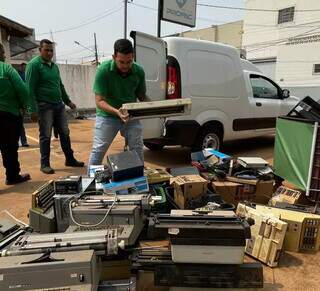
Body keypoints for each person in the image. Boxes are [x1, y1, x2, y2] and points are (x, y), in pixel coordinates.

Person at [88, 38, 149, 170]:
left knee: (137, 148)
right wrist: (117, 111)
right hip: (107, 115)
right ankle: (90, 182)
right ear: (114, 57)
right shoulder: (103, 70)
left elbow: (141, 96)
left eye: (129, 62)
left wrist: (155, 106)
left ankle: (139, 180)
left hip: (130, 116)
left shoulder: (138, 71)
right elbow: (99, 101)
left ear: (133, 57)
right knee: (99, 149)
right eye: (121, 62)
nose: (126, 66)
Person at [26, 39, 84, 174]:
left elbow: (60, 85)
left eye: (51, 50)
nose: (49, 53)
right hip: (44, 106)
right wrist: (32, 110)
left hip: (59, 105)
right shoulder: (33, 65)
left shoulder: (54, 66)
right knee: (46, 135)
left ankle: (69, 159)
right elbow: (29, 89)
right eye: (46, 50)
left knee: (65, 133)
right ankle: (44, 164)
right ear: (40, 50)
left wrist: (68, 101)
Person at [0, 43, 31, 185]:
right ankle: (12, 176)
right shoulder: (6, 69)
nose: (5, 55)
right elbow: (22, 90)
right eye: (3, 52)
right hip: (8, 115)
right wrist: (24, 106)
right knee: (10, 147)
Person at [17, 63, 29, 147]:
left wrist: (24, 106)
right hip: (13, 104)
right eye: (23, 67)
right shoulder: (16, 75)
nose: (24, 68)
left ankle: (24, 141)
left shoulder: (27, 75)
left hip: (21, 103)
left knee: (20, 124)